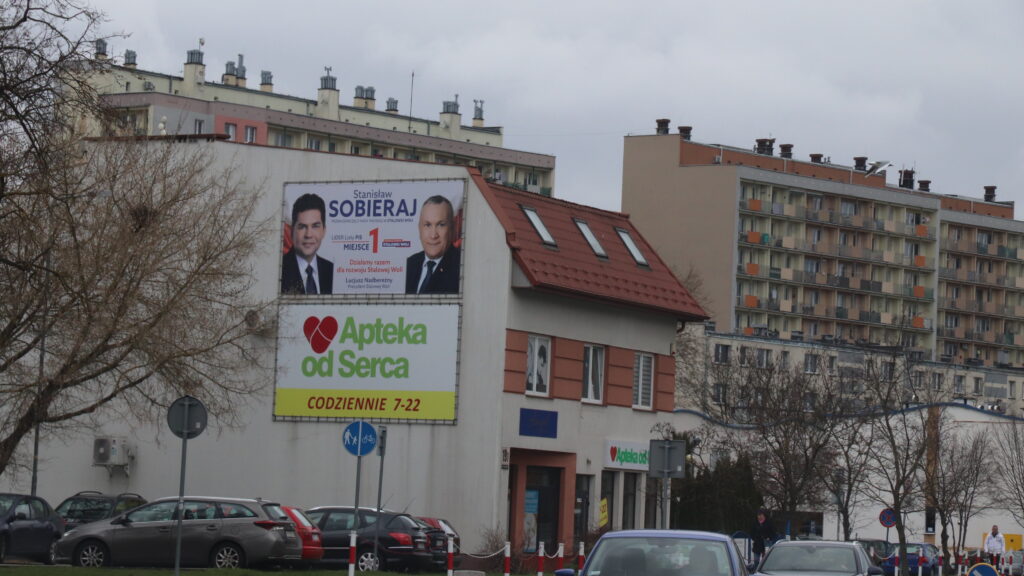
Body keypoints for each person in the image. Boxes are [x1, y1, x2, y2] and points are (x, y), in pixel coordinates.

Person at [405, 195, 461, 294]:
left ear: (452, 228)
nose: (433, 235)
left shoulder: (461, 266)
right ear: (419, 228)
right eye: (427, 225)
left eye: (441, 225)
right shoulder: (410, 264)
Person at [281, 193, 334, 295]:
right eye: (302, 227)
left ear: (324, 230)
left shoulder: (331, 270)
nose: (308, 235)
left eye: (315, 226)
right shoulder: (279, 271)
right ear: (292, 231)